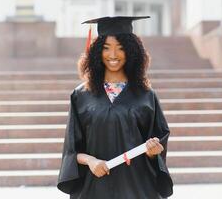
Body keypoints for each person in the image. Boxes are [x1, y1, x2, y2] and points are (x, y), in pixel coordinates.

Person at [57, 16, 173, 199]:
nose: (113, 55)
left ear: (131, 52)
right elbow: (72, 150)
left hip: (137, 188)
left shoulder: (145, 95)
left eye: (120, 48)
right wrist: (91, 161)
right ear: (96, 52)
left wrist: (153, 152)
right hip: (94, 188)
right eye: (106, 48)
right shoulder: (81, 96)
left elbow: (158, 144)